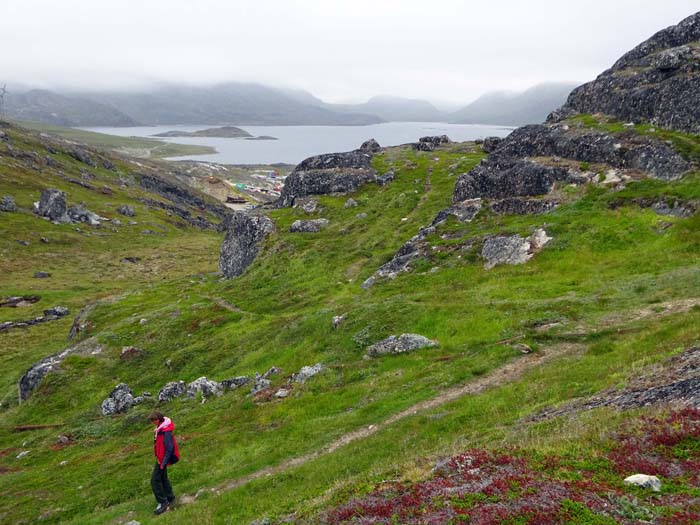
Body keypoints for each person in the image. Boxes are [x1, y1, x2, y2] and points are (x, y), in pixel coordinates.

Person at [149, 411, 180, 515]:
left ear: (159, 419)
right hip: (161, 458)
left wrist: (163, 463)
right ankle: (170, 497)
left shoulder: (165, 431)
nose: (153, 422)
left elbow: (169, 448)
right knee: (163, 478)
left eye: (154, 420)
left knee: (154, 480)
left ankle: (162, 502)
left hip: (162, 460)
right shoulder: (160, 428)